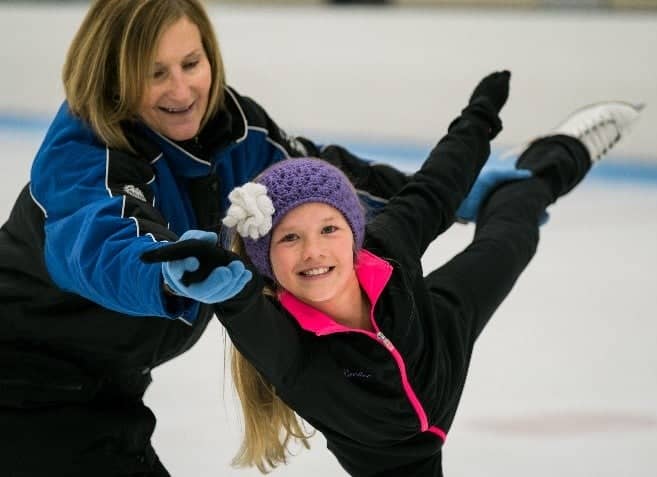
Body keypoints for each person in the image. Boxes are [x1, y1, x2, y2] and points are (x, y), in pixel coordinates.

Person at [142, 70, 643, 475]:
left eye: (328, 229)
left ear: (355, 232)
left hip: (435, 332)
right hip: (398, 462)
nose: (313, 251)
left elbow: (434, 188)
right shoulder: (292, 353)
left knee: (511, 236)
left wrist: (477, 122)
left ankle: (562, 151)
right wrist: (222, 284)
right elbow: (242, 303)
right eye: (289, 238)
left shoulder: (385, 251)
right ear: (266, 263)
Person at [0, 0, 418, 475]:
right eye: (154, 73)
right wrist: (165, 273)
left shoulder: (235, 132)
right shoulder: (82, 157)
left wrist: (444, 191)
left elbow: (323, 184)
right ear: (113, 78)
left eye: (191, 64)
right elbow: (102, 239)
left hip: (105, 390)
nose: (181, 89)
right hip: (21, 385)